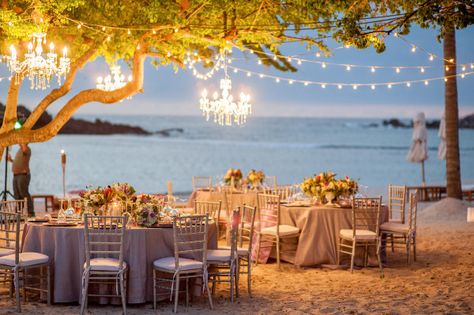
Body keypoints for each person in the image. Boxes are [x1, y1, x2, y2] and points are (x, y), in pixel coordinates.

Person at [8, 144, 34, 216]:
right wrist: (11, 160)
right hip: (16, 175)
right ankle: (18, 213)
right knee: (17, 195)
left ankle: (31, 212)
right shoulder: (19, 150)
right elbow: (19, 162)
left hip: (23, 175)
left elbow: (24, 150)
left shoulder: (27, 149)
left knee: (24, 193)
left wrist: (22, 141)